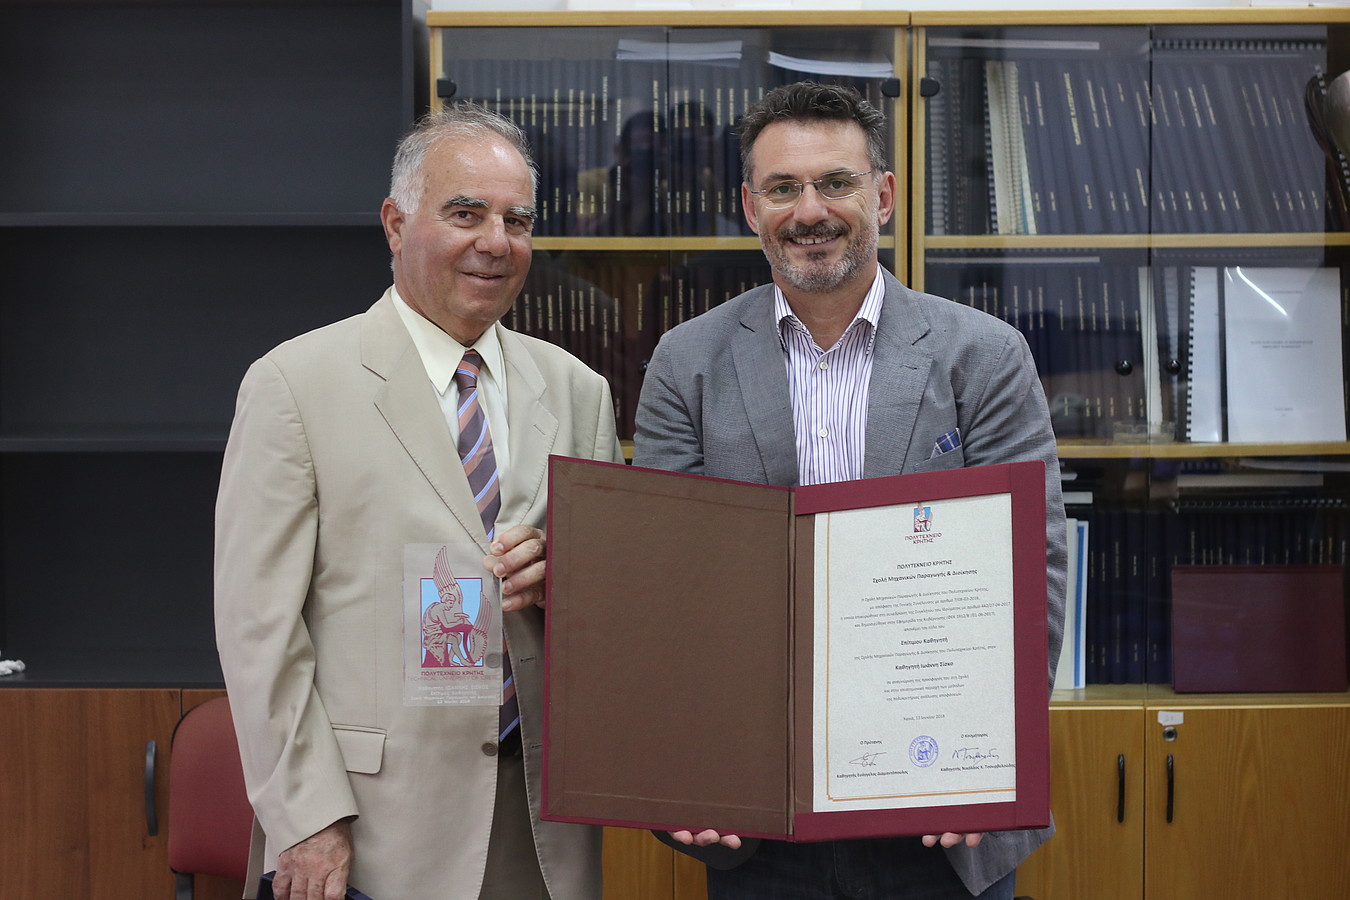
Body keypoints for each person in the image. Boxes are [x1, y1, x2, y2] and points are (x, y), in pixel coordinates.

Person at [633, 81, 1066, 899]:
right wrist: (689, 761)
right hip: (757, 812)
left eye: (836, 182)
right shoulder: (686, 363)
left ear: (884, 196)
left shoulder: (984, 355)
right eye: (783, 188)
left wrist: (985, 754)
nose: (810, 211)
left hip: (937, 806)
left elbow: (1031, 568)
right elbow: (667, 585)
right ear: (750, 208)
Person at [215, 101, 623, 900]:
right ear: (396, 225)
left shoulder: (579, 392)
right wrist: (307, 818)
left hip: (541, 824)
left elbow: (614, 615)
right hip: (370, 828)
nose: (495, 242)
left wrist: (567, 582)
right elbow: (257, 631)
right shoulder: (295, 384)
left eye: (516, 220)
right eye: (465, 214)